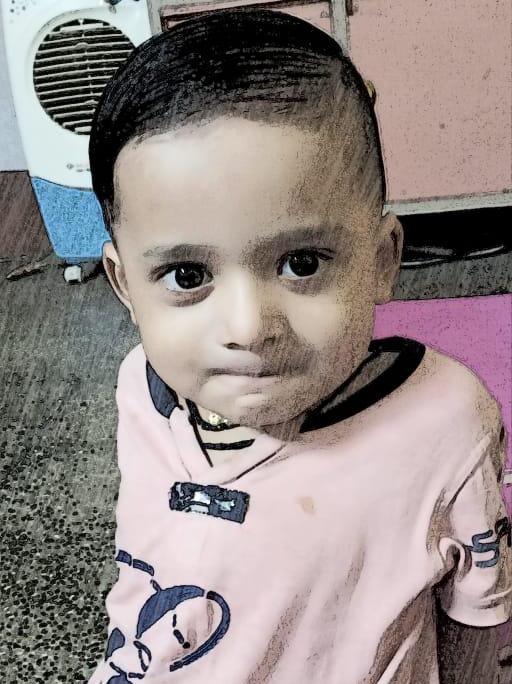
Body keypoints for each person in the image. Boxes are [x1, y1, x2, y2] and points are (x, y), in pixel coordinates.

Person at [86, 9, 511, 683]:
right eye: (188, 276)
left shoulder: (446, 424)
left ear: (382, 260)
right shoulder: (142, 384)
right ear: (125, 285)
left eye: (302, 264)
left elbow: (481, 617)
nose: (249, 327)